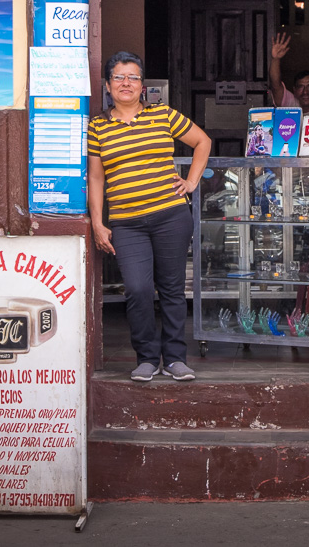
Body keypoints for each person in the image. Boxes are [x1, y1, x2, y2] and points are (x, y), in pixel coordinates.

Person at [88, 50, 211, 383]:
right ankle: (146, 357)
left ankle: (174, 358)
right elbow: (96, 178)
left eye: (133, 77)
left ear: (143, 86)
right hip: (127, 223)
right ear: (108, 84)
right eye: (119, 77)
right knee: (138, 289)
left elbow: (202, 141)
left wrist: (191, 182)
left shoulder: (163, 116)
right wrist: (98, 222)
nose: (126, 83)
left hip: (170, 216)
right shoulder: (98, 126)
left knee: (171, 289)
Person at [269, 32, 309, 114]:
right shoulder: (291, 102)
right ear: (294, 90)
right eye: (300, 87)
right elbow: (275, 85)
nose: (305, 92)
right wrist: (275, 59)